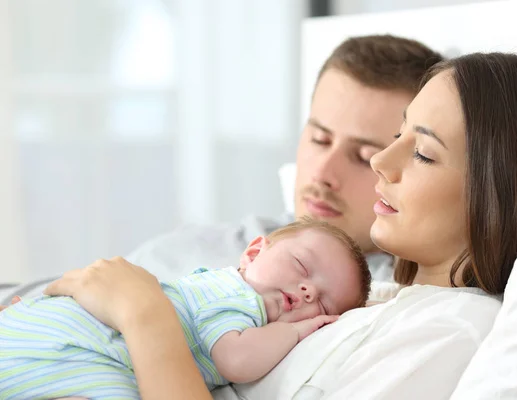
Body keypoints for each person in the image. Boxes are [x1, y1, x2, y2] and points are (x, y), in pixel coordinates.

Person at [36, 52, 517, 399]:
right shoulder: (379, 301)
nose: (383, 162)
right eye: (398, 134)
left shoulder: (452, 332)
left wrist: (143, 313)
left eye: (422, 153)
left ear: (500, 195)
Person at [0, 35, 443, 305]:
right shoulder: (223, 240)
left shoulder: (386, 303)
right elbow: (53, 291)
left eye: (363, 155)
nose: (322, 174)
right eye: (319, 139)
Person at [0, 218, 370, 399]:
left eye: (322, 303)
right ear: (254, 252)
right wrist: (296, 330)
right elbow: (236, 361)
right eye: (302, 268)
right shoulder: (238, 298)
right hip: (87, 339)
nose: (307, 291)